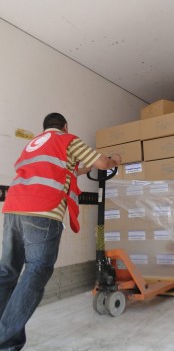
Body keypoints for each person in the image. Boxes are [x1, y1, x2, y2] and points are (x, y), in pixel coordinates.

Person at [0, 112, 121, 350]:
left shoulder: (33, 146)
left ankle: (6, 336)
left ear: (44, 128)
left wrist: (83, 169)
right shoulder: (68, 140)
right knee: (36, 273)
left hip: (13, 211)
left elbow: (65, 171)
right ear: (65, 126)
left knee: (7, 272)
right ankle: (4, 340)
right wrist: (114, 159)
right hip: (43, 212)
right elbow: (103, 164)